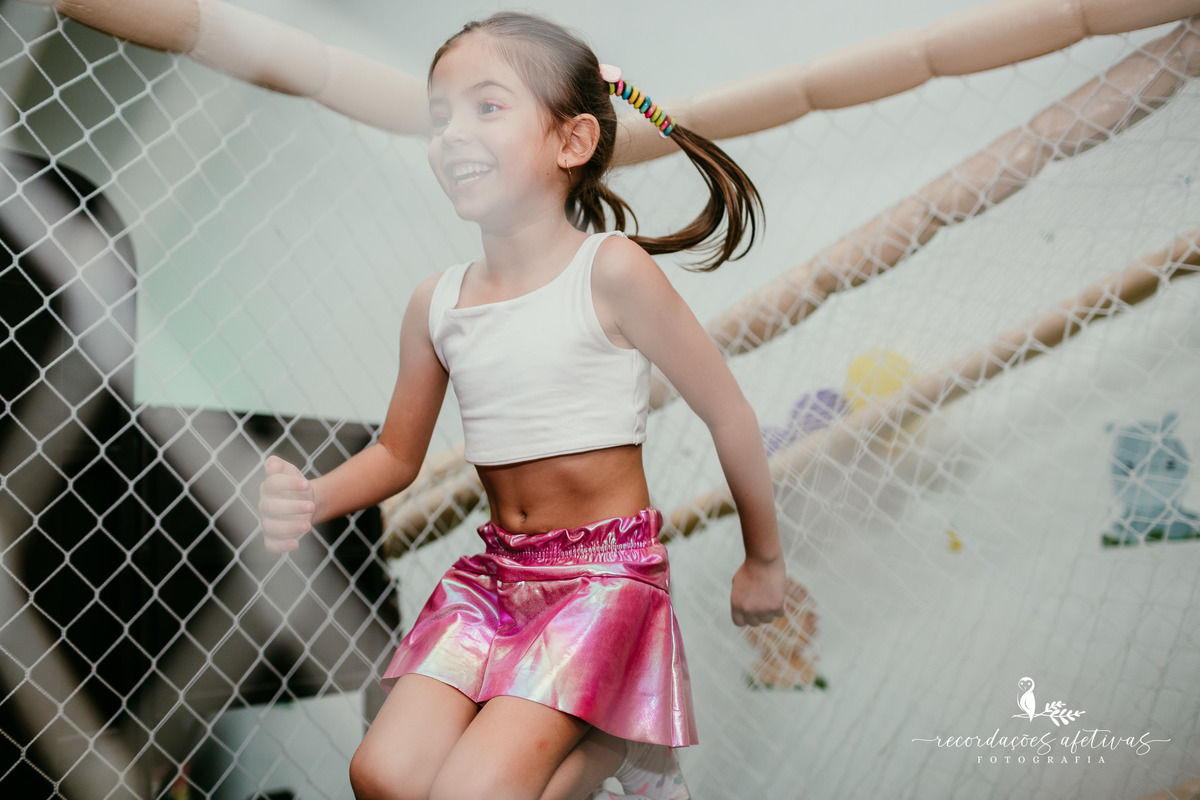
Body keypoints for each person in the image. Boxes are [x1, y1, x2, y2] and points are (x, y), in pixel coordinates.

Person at [258, 11, 786, 800]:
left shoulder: (610, 271)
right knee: (380, 774)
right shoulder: (435, 304)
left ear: (570, 142)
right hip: (497, 578)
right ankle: (599, 745)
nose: (453, 134)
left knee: (473, 791)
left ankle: (609, 745)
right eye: (441, 117)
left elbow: (729, 413)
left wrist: (764, 557)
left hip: (603, 583)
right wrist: (311, 499)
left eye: (488, 107)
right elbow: (398, 456)